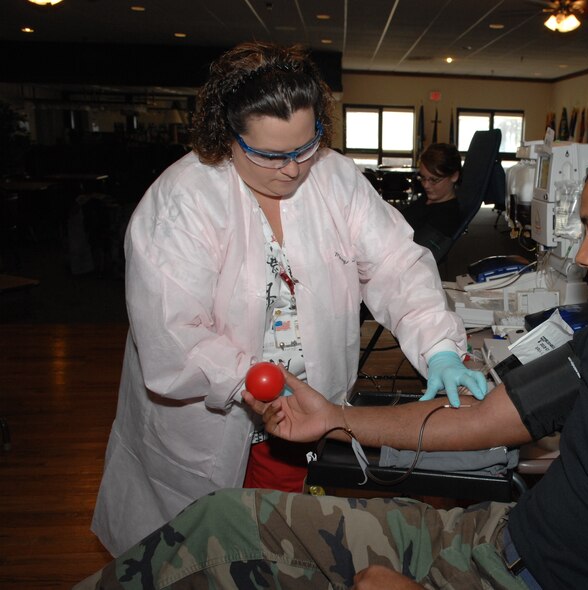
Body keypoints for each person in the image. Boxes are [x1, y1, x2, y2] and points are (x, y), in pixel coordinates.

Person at [77, 128, 588, 589]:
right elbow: (492, 417)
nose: (582, 253)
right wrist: (338, 419)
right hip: (488, 541)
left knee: (211, 566)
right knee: (221, 522)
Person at [89, 41, 487, 558]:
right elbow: (174, 331)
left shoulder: (335, 178)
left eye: (305, 146)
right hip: (214, 422)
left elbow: (395, 264)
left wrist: (438, 344)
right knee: (201, 555)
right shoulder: (181, 202)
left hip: (303, 419)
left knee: (283, 544)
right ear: (224, 135)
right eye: (271, 154)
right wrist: (244, 380)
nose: (293, 169)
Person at [400, 143, 463, 241]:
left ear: (454, 176)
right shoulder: (428, 198)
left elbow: (416, 250)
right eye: (423, 178)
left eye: (434, 180)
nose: (426, 185)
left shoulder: (447, 218)